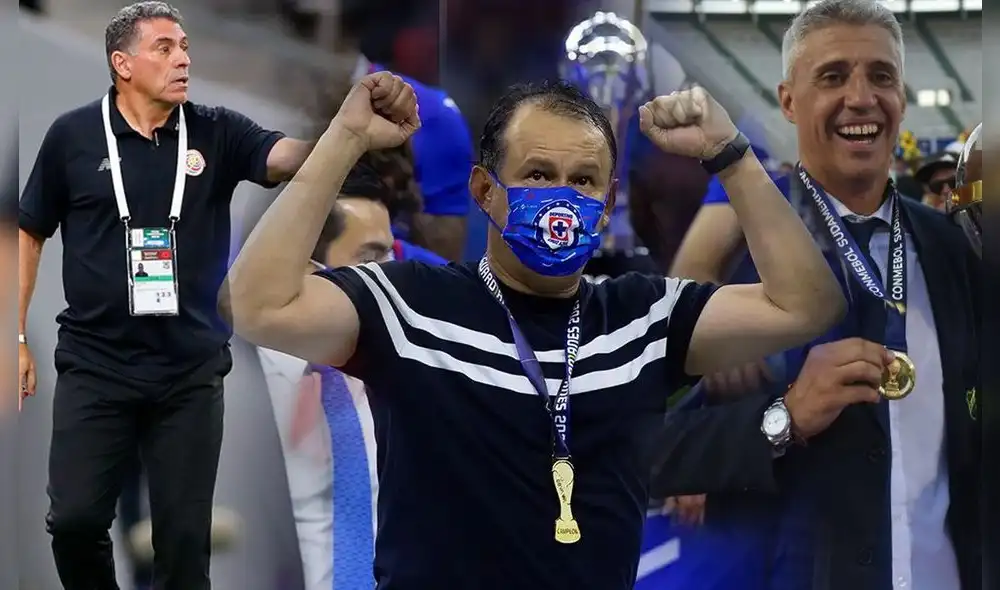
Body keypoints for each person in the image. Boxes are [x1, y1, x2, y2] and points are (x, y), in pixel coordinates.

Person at [224, 68, 847, 588]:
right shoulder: (410, 304)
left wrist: (731, 156)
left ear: (607, 203)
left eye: (583, 181)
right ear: (483, 190)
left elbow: (806, 305)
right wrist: (345, 140)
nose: (560, 199)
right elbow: (258, 305)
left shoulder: (642, 318)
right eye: (538, 174)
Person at [651, 2, 981, 589]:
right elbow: (638, 447)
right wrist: (783, 418)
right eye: (833, 76)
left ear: (901, 98)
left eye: (881, 76)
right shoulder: (734, 252)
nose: (861, 97)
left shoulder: (952, 247)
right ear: (788, 101)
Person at [17, 3, 316, 588]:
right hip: (96, 365)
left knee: (182, 545)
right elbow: (29, 233)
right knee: (75, 522)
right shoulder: (72, 136)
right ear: (122, 64)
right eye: (164, 48)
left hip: (188, 372)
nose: (182, 59)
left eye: (184, 47)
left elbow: (283, 156)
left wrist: (344, 136)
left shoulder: (217, 130)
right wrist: (16, 333)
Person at [256, 155, 447, 590]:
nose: (389, 277)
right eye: (370, 259)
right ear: (304, 268)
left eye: (390, 256)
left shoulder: (413, 369)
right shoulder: (236, 388)